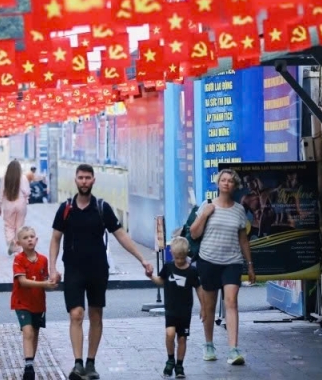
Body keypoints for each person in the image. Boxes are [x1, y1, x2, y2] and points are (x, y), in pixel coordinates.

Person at [49, 163, 154, 380]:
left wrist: (142, 259)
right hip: (74, 269)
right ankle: (77, 364)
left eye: (88, 178)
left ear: (94, 180)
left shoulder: (102, 207)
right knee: (76, 314)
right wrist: (52, 267)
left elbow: (121, 235)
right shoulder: (66, 208)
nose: (84, 181)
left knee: (96, 315)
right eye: (81, 178)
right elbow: (56, 238)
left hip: (97, 269)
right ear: (75, 180)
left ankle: (91, 363)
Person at [189, 169, 256, 366]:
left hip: (232, 262)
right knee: (209, 307)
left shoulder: (239, 210)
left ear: (235, 186)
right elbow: (193, 234)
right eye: (223, 180)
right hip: (208, 260)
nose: (226, 183)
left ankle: (234, 349)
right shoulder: (207, 206)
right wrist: (204, 215)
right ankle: (208, 344)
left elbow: (243, 239)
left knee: (232, 302)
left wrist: (250, 265)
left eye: (230, 181)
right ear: (218, 184)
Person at [147, 236, 199, 378]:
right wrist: (151, 276)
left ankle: (179, 365)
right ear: (172, 255)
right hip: (171, 309)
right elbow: (160, 281)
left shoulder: (192, 271)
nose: (179, 261)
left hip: (185, 310)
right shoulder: (168, 267)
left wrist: (204, 308)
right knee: (170, 334)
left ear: (187, 253)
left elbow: (198, 288)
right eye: (177, 258)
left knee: (182, 338)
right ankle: (170, 359)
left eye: (182, 258)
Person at [11, 226, 58, 380]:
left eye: (32, 236)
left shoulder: (43, 260)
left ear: (36, 239)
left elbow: (46, 281)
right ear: (19, 242)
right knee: (28, 331)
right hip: (22, 303)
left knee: (35, 332)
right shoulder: (19, 259)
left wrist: (54, 282)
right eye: (25, 237)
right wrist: (44, 284)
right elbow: (23, 282)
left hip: (38, 304)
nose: (29, 239)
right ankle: (29, 366)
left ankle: (30, 361)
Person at [0, 159, 31, 255]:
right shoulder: (23, 178)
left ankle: (11, 242)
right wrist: (26, 200)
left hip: (8, 204)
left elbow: (1, 192)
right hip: (21, 203)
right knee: (19, 226)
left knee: (9, 225)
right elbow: (27, 192)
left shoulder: (4, 178)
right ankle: (17, 245)